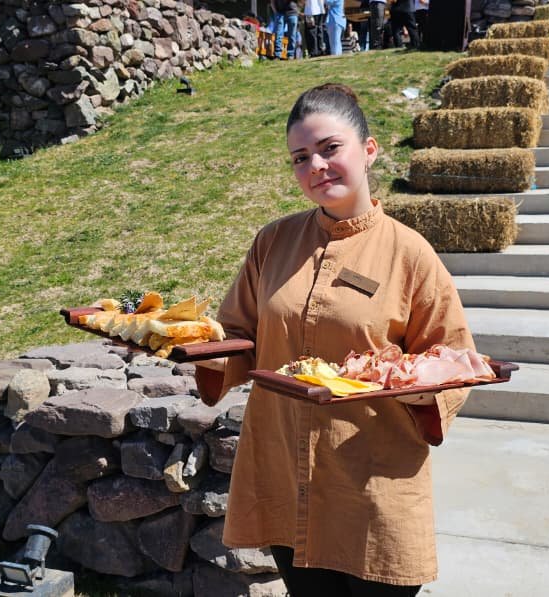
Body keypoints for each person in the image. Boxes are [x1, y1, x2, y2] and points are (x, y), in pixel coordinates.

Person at [194, 84, 477, 596]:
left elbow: (454, 358)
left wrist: (425, 392)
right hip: (284, 473)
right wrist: (182, 348)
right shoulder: (273, 242)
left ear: (369, 150)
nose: (315, 167)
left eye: (330, 148)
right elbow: (236, 336)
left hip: (372, 483)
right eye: (300, 158)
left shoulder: (409, 254)